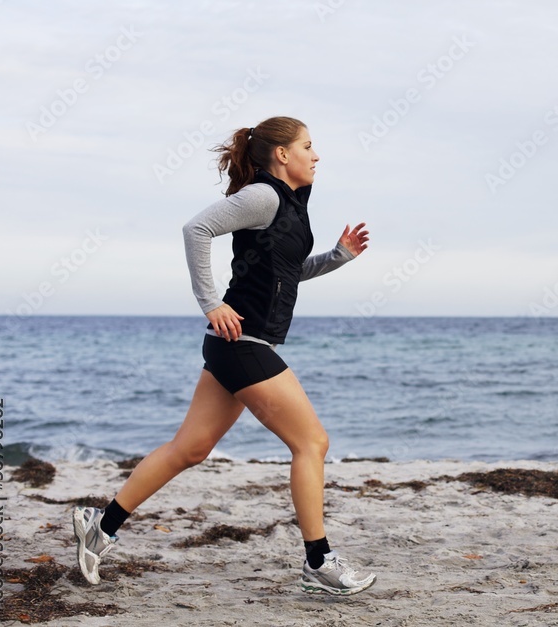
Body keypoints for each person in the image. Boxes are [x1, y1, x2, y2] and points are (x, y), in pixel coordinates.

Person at [72, 116, 376, 596]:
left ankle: (100, 525)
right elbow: (196, 229)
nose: (316, 156)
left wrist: (338, 256)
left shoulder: (293, 205)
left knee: (189, 449)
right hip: (244, 342)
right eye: (308, 146)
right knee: (312, 443)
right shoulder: (263, 196)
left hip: (239, 346)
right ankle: (318, 561)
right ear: (282, 154)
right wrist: (211, 302)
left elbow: (286, 272)